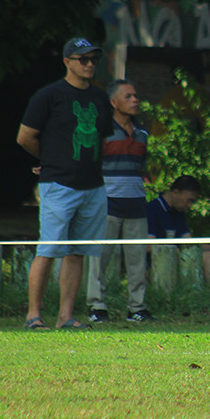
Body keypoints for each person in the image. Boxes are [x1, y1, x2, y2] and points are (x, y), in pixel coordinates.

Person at [16, 37, 113, 330]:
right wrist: (51, 159)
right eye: (82, 59)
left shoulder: (99, 98)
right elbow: (24, 137)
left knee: (77, 251)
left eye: (93, 59)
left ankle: (66, 316)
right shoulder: (49, 95)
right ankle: (34, 315)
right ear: (67, 62)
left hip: (93, 186)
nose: (89, 64)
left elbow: (102, 139)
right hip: (58, 185)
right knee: (47, 249)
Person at [86, 79, 152, 323]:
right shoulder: (101, 131)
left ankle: (137, 308)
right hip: (107, 203)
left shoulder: (143, 133)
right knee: (99, 258)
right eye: (128, 96)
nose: (135, 100)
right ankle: (97, 307)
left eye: (136, 96)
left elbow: (142, 168)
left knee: (137, 259)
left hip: (136, 203)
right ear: (113, 102)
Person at [147, 175, 210, 285]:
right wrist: (176, 250)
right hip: (158, 264)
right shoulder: (152, 210)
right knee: (208, 257)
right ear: (175, 192)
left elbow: (189, 243)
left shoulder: (179, 212)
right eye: (189, 200)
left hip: (179, 259)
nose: (190, 205)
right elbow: (147, 246)